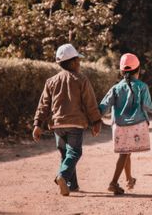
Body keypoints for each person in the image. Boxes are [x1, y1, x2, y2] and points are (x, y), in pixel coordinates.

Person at [32, 43, 102, 196]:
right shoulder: (81, 79)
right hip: (75, 124)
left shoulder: (51, 81)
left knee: (65, 154)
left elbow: (43, 104)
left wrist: (38, 124)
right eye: (78, 60)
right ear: (72, 62)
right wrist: (96, 121)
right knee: (74, 153)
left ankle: (72, 184)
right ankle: (62, 176)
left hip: (57, 125)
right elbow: (90, 103)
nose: (80, 63)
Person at [99, 53, 152, 195]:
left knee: (125, 151)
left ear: (121, 71)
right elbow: (148, 106)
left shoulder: (115, 88)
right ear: (138, 70)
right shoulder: (142, 86)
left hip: (119, 126)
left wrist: (94, 120)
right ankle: (113, 182)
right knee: (125, 153)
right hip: (136, 125)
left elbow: (103, 106)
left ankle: (128, 179)